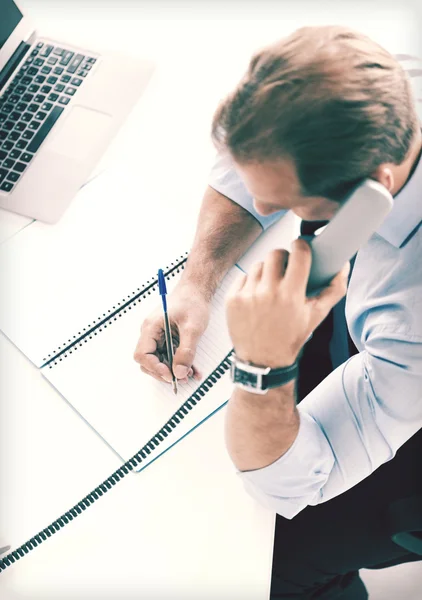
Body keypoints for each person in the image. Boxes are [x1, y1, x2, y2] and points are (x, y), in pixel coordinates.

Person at [134, 25, 422, 599]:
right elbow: (245, 166)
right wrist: (198, 281)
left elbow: (291, 485)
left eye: (287, 204)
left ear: (376, 191)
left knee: (274, 563)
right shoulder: (386, 81)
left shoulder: (411, 321)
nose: (261, 210)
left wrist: (263, 364)